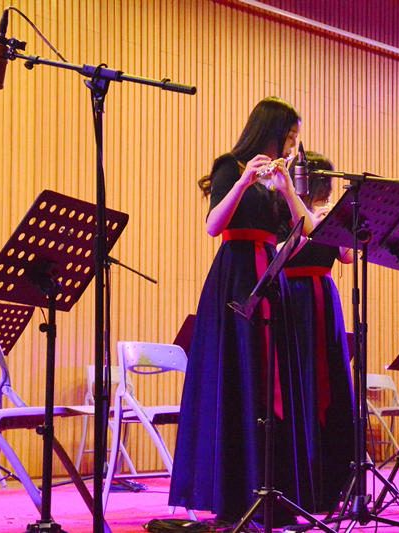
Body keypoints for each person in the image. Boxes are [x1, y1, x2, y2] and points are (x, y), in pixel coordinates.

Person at [168, 97, 314, 524]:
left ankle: (274, 492)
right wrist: (244, 180)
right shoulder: (230, 166)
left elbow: (307, 232)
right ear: (270, 132)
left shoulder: (281, 182)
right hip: (235, 276)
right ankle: (233, 495)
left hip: (271, 279)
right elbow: (213, 225)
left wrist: (288, 191)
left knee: (272, 383)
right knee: (237, 380)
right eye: (289, 136)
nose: (293, 146)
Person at [277, 152, 354, 513]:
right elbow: (277, 254)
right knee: (300, 384)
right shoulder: (281, 210)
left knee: (331, 384)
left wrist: (340, 224)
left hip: (323, 297)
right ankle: (299, 479)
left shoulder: (325, 212)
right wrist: (311, 228)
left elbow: (347, 256)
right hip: (293, 297)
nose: (323, 193)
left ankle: (333, 482)